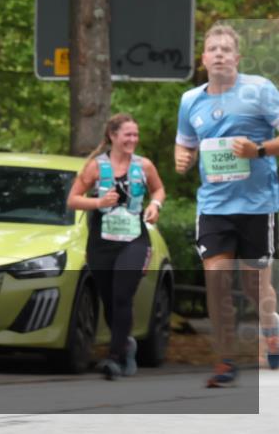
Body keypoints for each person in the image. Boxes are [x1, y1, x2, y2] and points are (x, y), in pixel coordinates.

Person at [175, 24, 279, 387]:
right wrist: (182, 159)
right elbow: (185, 142)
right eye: (212, 49)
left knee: (254, 286)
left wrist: (259, 150)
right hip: (214, 205)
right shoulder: (190, 100)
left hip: (256, 203)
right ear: (203, 59)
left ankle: (273, 332)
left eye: (225, 49)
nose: (218, 53)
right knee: (216, 280)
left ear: (237, 58)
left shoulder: (260, 91)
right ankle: (226, 361)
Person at [68, 113, 166, 379]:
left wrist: (154, 206)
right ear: (113, 136)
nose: (133, 140)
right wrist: (98, 203)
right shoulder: (95, 167)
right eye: (127, 135)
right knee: (110, 300)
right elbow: (73, 200)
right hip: (102, 242)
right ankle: (125, 346)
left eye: (135, 135)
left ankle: (113, 358)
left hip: (134, 240)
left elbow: (158, 190)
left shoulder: (144, 166)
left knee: (123, 295)